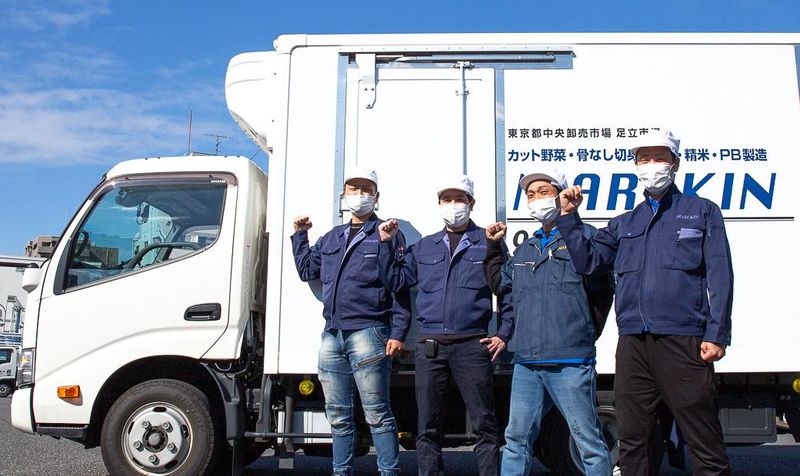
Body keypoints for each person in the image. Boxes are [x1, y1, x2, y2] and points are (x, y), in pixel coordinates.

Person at [556, 130, 733, 475]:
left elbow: (720, 274)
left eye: (659, 158)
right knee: (634, 441)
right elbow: (588, 262)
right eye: (644, 159)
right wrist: (569, 217)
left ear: (675, 164)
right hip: (633, 343)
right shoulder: (625, 223)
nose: (652, 165)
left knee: (703, 440)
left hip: (683, 340)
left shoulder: (701, 212)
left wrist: (717, 333)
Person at [378, 175, 512, 476]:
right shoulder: (425, 247)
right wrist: (385, 245)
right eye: (447, 199)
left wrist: (504, 334)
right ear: (439, 204)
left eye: (460, 199)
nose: (453, 205)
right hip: (431, 348)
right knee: (428, 427)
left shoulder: (488, 242)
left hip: (472, 345)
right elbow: (397, 281)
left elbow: (507, 290)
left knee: (485, 424)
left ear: (471, 204)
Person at [484, 167, 613, 476]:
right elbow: (501, 285)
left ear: (561, 195)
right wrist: (494, 247)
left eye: (544, 192)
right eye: (531, 195)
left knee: (588, 442)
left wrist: (583, 333)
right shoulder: (526, 248)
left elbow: (601, 290)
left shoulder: (586, 238)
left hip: (570, 360)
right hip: (527, 361)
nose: (536, 199)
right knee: (515, 440)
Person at [291, 166, 411, 476]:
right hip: (332, 335)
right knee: (338, 416)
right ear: (343, 196)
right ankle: (341, 472)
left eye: (365, 190)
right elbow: (307, 271)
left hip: (370, 332)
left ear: (376, 196)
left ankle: (389, 472)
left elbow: (398, 286)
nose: (359, 195)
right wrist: (300, 236)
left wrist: (398, 332)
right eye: (353, 189)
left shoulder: (387, 233)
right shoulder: (332, 237)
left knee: (377, 414)